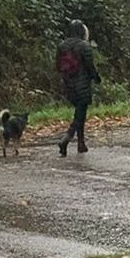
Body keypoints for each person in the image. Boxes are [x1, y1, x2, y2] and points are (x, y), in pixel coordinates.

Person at [55, 20, 99, 156]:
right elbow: (90, 66)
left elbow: (57, 66)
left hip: (68, 85)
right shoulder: (84, 46)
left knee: (79, 113)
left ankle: (81, 144)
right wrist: (96, 78)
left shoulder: (62, 46)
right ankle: (66, 139)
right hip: (82, 85)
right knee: (80, 115)